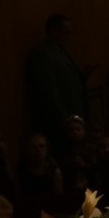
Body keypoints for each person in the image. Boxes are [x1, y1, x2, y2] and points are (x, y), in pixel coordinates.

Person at [25, 15, 88, 147]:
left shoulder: (60, 51)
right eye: (67, 32)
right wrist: (65, 120)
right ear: (54, 31)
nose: (69, 36)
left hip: (73, 114)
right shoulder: (42, 54)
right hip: (58, 121)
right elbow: (49, 91)